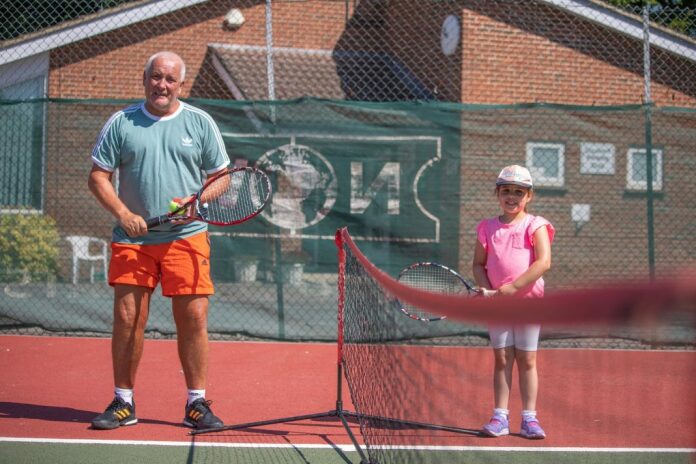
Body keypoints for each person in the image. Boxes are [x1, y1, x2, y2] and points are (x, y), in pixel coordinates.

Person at [87, 51, 228, 430]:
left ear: (180, 84)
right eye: (156, 77)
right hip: (134, 241)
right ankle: (123, 401)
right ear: (145, 78)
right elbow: (98, 177)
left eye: (169, 79)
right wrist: (123, 214)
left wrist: (196, 201)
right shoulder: (121, 122)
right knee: (127, 319)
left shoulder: (200, 123)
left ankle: (197, 404)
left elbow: (222, 177)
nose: (161, 85)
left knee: (194, 318)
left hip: (187, 237)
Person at [472, 165, 554, 439]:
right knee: (502, 359)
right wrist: (487, 290)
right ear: (497, 193)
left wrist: (514, 287)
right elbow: (478, 264)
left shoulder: (536, 224)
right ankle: (500, 418)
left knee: (527, 360)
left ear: (529, 196)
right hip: (499, 308)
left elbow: (544, 262)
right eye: (506, 191)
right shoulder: (486, 227)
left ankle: (529, 419)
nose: (512, 197)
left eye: (518, 192)